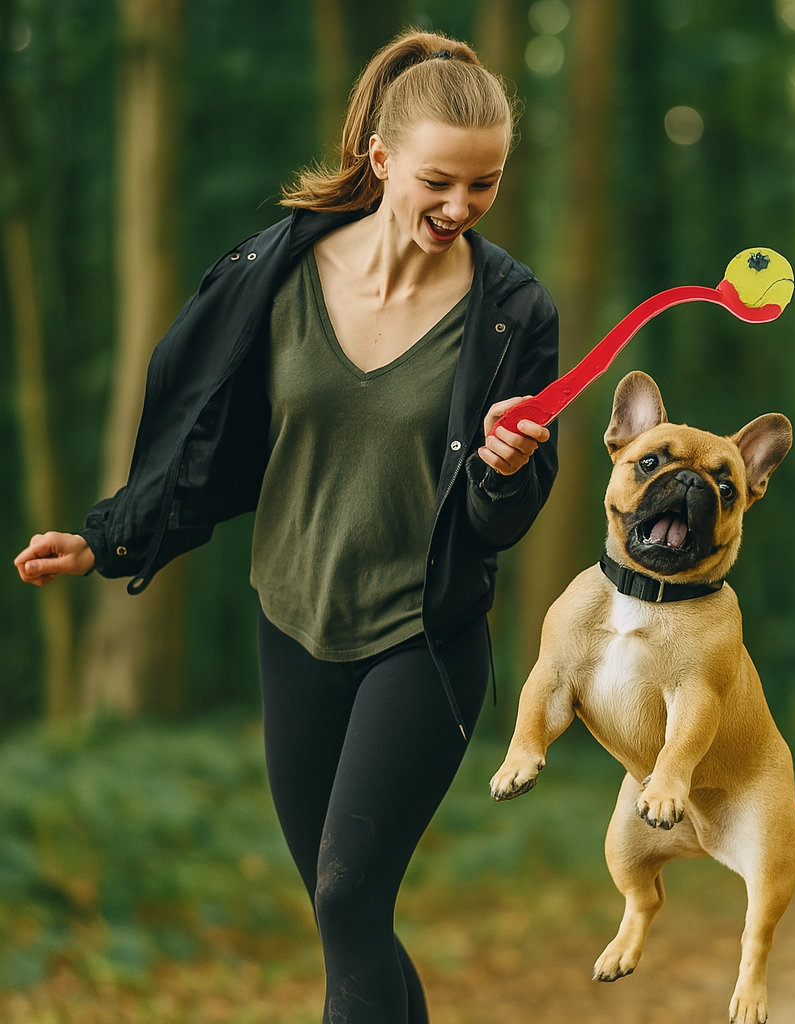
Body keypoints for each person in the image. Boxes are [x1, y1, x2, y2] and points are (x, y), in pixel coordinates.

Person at [14, 29, 558, 1024]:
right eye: (439, 180)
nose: (460, 208)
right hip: (294, 622)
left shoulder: (509, 313)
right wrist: (110, 537)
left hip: (424, 637)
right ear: (383, 158)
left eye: (483, 187)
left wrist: (502, 467)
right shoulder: (274, 272)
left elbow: (500, 519)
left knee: (351, 894)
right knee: (344, 911)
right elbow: (208, 439)